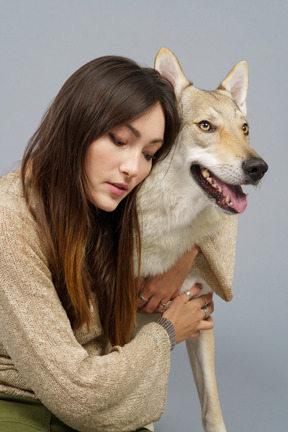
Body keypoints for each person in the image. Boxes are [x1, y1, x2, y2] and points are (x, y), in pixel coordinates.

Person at [0, 55, 214, 432]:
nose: (133, 168)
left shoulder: (107, 199)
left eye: (150, 154)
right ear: (76, 125)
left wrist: (181, 261)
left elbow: (220, 182)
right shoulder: (9, 220)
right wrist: (167, 330)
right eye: (119, 140)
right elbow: (76, 392)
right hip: (23, 409)